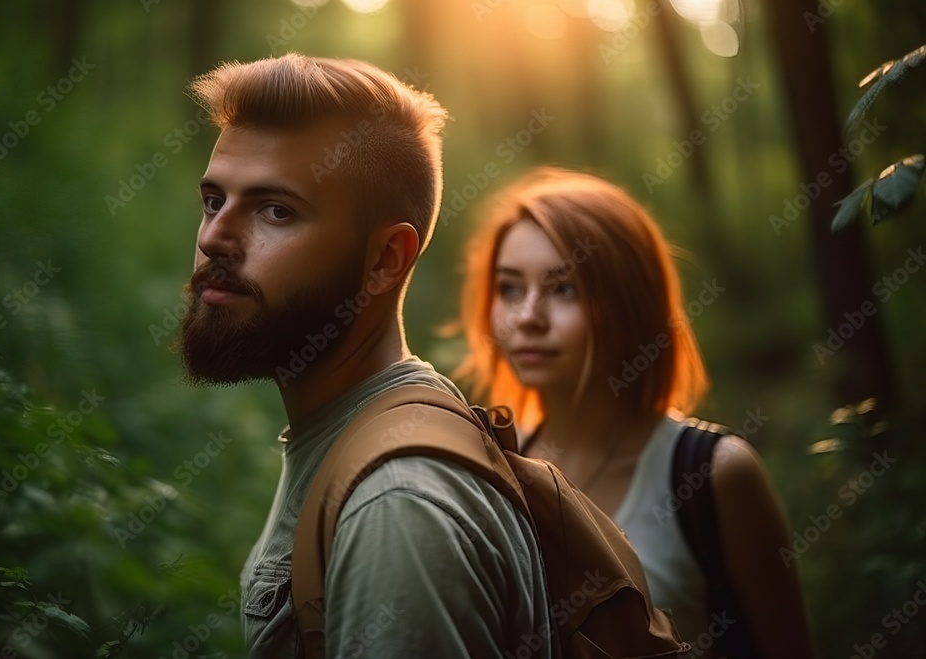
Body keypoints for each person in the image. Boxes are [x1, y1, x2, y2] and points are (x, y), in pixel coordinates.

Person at [177, 54, 551, 659]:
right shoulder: (355, 438)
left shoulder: (399, 508)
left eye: (276, 210)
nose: (213, 236)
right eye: (214, 200)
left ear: (385, 259)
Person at [455, 167, 817, 658]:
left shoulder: (715, 473)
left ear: (628, 303)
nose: (527, 318)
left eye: (563, 289)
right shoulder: (493, 471)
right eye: (510, 288)